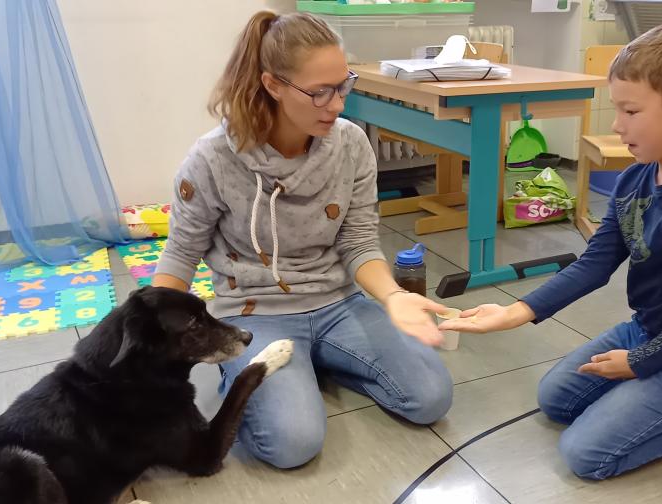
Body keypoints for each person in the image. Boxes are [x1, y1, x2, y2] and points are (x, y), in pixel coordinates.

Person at [439, 24, 662, 480]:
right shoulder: (636, 177)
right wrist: (514, 312)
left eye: (630, 110)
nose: (617, 124)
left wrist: (640, 364)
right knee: (556, 399)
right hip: (646, 330)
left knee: (586, 455)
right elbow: (595, 263)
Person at [152, 10, 453, 469]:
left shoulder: (350, 145)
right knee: (292, 444)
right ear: (273, 85)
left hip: (337, 304)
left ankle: (316, 361)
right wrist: (143, 344)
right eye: (320, 92)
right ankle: (257, 368)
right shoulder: (212, 157)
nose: (337, 104)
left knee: (431, 398)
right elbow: (180, 256)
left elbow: (358, 241)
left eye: (343, 84)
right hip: (254, 315)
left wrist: (392, 296)